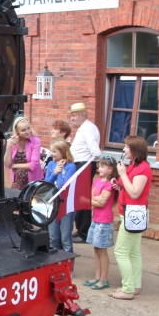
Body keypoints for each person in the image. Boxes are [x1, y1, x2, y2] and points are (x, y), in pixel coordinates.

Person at [110, 136, 152, 300]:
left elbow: (135, 192)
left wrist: (122, 174)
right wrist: (119, 183)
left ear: (135, 149)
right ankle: (135, 285)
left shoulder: (143, 168)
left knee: (120, 252)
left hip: (134, 214)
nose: (124, 149)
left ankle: (127, 289)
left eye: (127, 147)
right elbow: (127, 186)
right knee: (133, 252)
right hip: (129, 212)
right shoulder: (134, 165)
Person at [69, 103, 103, 242]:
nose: (71, 118)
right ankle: (81, 230)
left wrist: (88, 162)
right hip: (82, 164)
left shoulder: (87, 129)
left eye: (73, 115)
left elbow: (96, 152)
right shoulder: (85, 128)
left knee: (82, 198)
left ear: (82, 115)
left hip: (84, 165)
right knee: (79, 197)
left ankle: (83, 233)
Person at [84, 155, 117, 290]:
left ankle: (104, 279)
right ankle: (97, 276)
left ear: (111, 169)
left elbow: (102, 203)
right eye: (99, 166)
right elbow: (93, 199)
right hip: (96, 219)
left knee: (102, 250)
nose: (99, 168)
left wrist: (90, 200)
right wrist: (96, 199)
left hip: (104, 220)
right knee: (96, 249)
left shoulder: (109, 184)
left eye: (103, 166)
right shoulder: (97, 180)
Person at [44, 140, 77, 254]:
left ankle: (69, 262)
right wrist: (54, 172)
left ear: (62, 153)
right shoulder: (51, 164)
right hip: (53, 204)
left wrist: (60, 172)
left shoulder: (71, 166)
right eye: (51, 151)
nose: (51, 153)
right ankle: (55, 260)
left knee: (65, 238)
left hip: (65, 205)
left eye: (54, 151)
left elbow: (64, 186)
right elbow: (46, 184)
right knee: (53, 237)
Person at [5, 116, 43, 191]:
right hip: (17, 181)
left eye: (28, 128)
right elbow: (7, 164)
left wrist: (14, 165)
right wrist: (8, 147)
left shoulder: (36, 141)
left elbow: (34, 165)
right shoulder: (13, 142)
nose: (27, 131)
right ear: (17, 131)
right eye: (23, 130)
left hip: (33, 182)